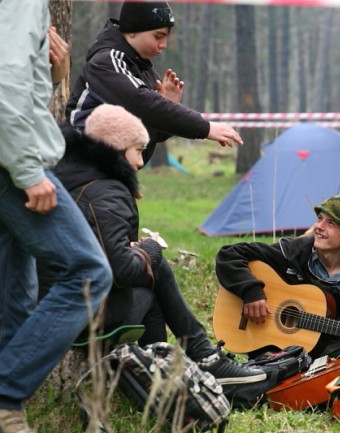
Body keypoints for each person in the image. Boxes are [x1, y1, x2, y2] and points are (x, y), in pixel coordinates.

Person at [53, 103, 266, 385]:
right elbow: (120, 271)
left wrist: (137, 251)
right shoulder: (106, 192)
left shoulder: (78, 178)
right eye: (138, 151)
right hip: (78, 313)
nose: (141, 162)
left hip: (65, 300)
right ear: (117, 148)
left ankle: (169, 373)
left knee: (152, 275)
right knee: (155, 274)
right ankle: (195, 360)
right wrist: (149, 249)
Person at [0, 1, 113, 432]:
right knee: (88, 272)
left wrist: (55, 74)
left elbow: (17, 87)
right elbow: (5, 85)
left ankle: (8, 413)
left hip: (11, 156)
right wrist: (29, 172)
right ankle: (6, 392)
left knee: (13, 296)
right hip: (14, 165)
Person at [66, 1, 242, 164]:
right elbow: (141, 103)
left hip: (112, 171)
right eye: (158, 36)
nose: (164, 44)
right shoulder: (107, 61)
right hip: (84, 166)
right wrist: (204, 127)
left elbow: (148, 131)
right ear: (133, 30)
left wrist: (168, 104)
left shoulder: (143, 68)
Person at [215, 195, 340, 358]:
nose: (319, 226)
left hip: (327, 357)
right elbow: (229, 255)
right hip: (271, 349)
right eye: (319, 218)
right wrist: (251, 292)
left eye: (330, 223)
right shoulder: (293, 252)